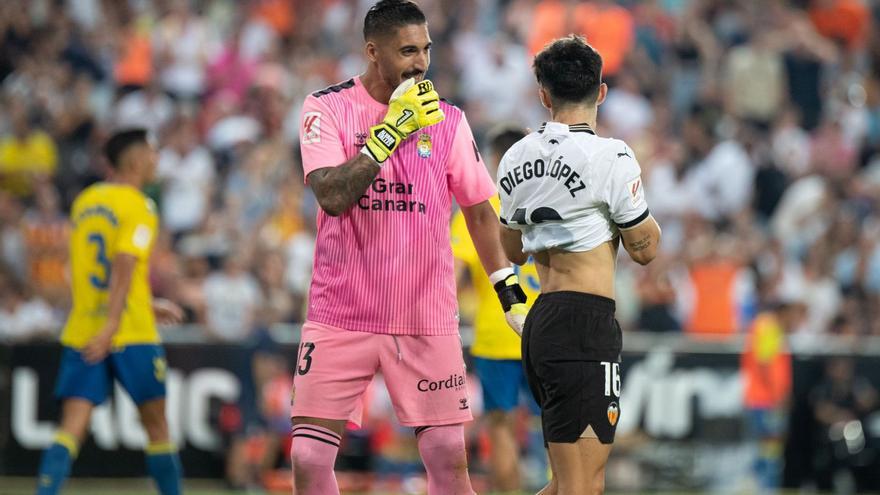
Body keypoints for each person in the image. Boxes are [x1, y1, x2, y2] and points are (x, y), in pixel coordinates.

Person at [291, 1, 528, 494]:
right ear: (372, 52)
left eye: (425, 49)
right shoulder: (326, 107)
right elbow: (332, 197)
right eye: (406, 51)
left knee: (447, 457)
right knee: (309, 457)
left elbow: (480, 211)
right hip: (341, 313)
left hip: (424, 316)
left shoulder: (449, 120)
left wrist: (508, 291)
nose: (420, 62)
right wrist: (390, 132)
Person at [497, 35, 662, 495]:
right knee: (581, 487)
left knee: (574, 482)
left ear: (544, 95)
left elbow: (511, 248)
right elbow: (646, 249)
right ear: (601, 92)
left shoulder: (515, 156)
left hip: (543, 323)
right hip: (584, 323)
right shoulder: (611, 156)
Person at [35, 129, 184, 495]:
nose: (156, 159)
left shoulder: (85, 201)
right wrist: (116, 322)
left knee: (71, 427)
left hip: (85, 327)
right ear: (134, 160)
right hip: (130, 331)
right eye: (152, 152)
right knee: (157, 428)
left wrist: (143, 303)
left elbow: (89, 271)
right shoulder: (140, 205)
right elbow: (122, 262)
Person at [450, 125, 546, 493]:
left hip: (496, 332)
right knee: (555, 428)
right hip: (543, 333)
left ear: (492, 159)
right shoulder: (548, 204)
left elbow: (453, 278)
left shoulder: (477, 211)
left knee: (501, 428)